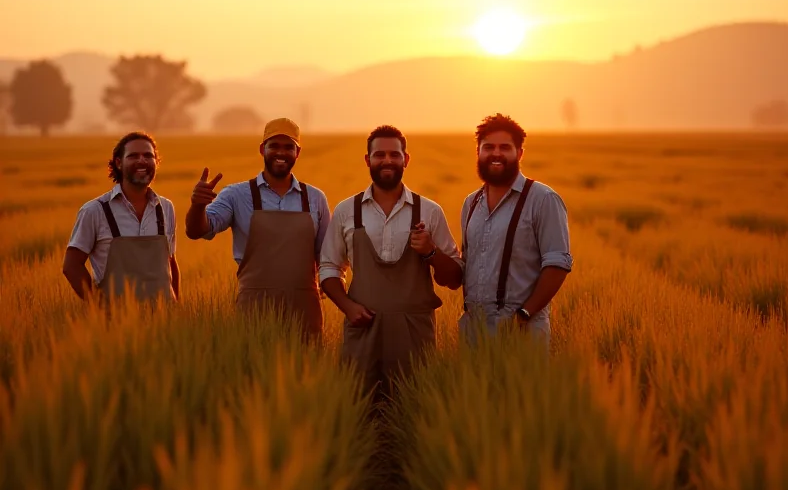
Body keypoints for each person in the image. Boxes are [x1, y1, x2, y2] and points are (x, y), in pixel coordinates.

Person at [320, 125, 464, 399]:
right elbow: (329, 268)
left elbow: (455, 278)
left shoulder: (430, 211)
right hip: (363, 330)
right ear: (367, 160)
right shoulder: (346, 211)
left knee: (415, 404)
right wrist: (348, 307)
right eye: (379, 154)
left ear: (406, 159)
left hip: (414, 333)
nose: (387, 160)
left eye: (394, 154)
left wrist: (432, 252)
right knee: (358, 406)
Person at [185, 118, 330, 340]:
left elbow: (326, 256)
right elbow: (199, 230)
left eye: (288, 147)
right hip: (254, 307)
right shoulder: (236, 195)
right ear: (263, 149)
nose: (280, 152)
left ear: (297, 152)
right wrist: (197, 206)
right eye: (274, 146)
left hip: (304, 309)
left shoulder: (315, 198)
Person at [459, 114, 573, 349]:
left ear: (519, 153)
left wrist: (524, 315)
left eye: (505, 147)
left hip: (523, 331)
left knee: (522, 388)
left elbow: (557, 264)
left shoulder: (543, 199)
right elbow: (468, 263)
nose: (496, 154)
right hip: (473, 331)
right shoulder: (470, 204)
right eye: (488, 147)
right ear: (478, 152)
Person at [63, 131, 180, 304]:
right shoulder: (95, 211)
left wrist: (177, 305)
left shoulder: (166, 208)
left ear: (156, 162)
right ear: (119, 163)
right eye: (133, 156)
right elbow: (71, 266)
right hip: (115, 324)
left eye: (148, 155)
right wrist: (98, 307)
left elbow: (170, 263)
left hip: (164, 322)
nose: (142, 160)